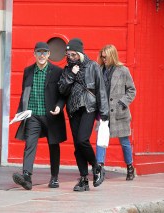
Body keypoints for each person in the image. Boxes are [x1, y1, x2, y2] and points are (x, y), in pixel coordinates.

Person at [12, 42, 67, 190]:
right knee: (30, 144)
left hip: (51, 115)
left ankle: (54, 177)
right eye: (39, 52)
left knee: (53, 145)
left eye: (44, 52)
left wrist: (59, 107)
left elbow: (63, 95)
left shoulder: (57, 71)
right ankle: (26, 177)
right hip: (33, 115)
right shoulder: (28, 71)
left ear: (49, 55)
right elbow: (25, 93)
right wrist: (20, 112)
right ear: (34, 54)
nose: (41, 55)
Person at [58, 38, 109, 192]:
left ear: (80, 53)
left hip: (89, 107)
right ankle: (84, 179)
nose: (70, 57)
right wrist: (71, 76)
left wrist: (104, 114)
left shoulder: (92, 66)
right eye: (68, 54)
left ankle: (96, 166)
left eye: (73, 54)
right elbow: (62, 90)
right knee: (77, 147)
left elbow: (101, 90)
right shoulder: (67, 69)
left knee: (82, 140)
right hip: (73, 110)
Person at [96, 44, 136, 181]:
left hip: (119, 112)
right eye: (102, 56)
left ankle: (130, 166)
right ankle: (99, 168)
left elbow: (132, 90)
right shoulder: (99, 70)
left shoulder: (123, 71)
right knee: (101, 140)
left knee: (124, 141)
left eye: (106, 57)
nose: (104, 59)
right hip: (104, 111)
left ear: (112, 56)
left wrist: (122, 103)